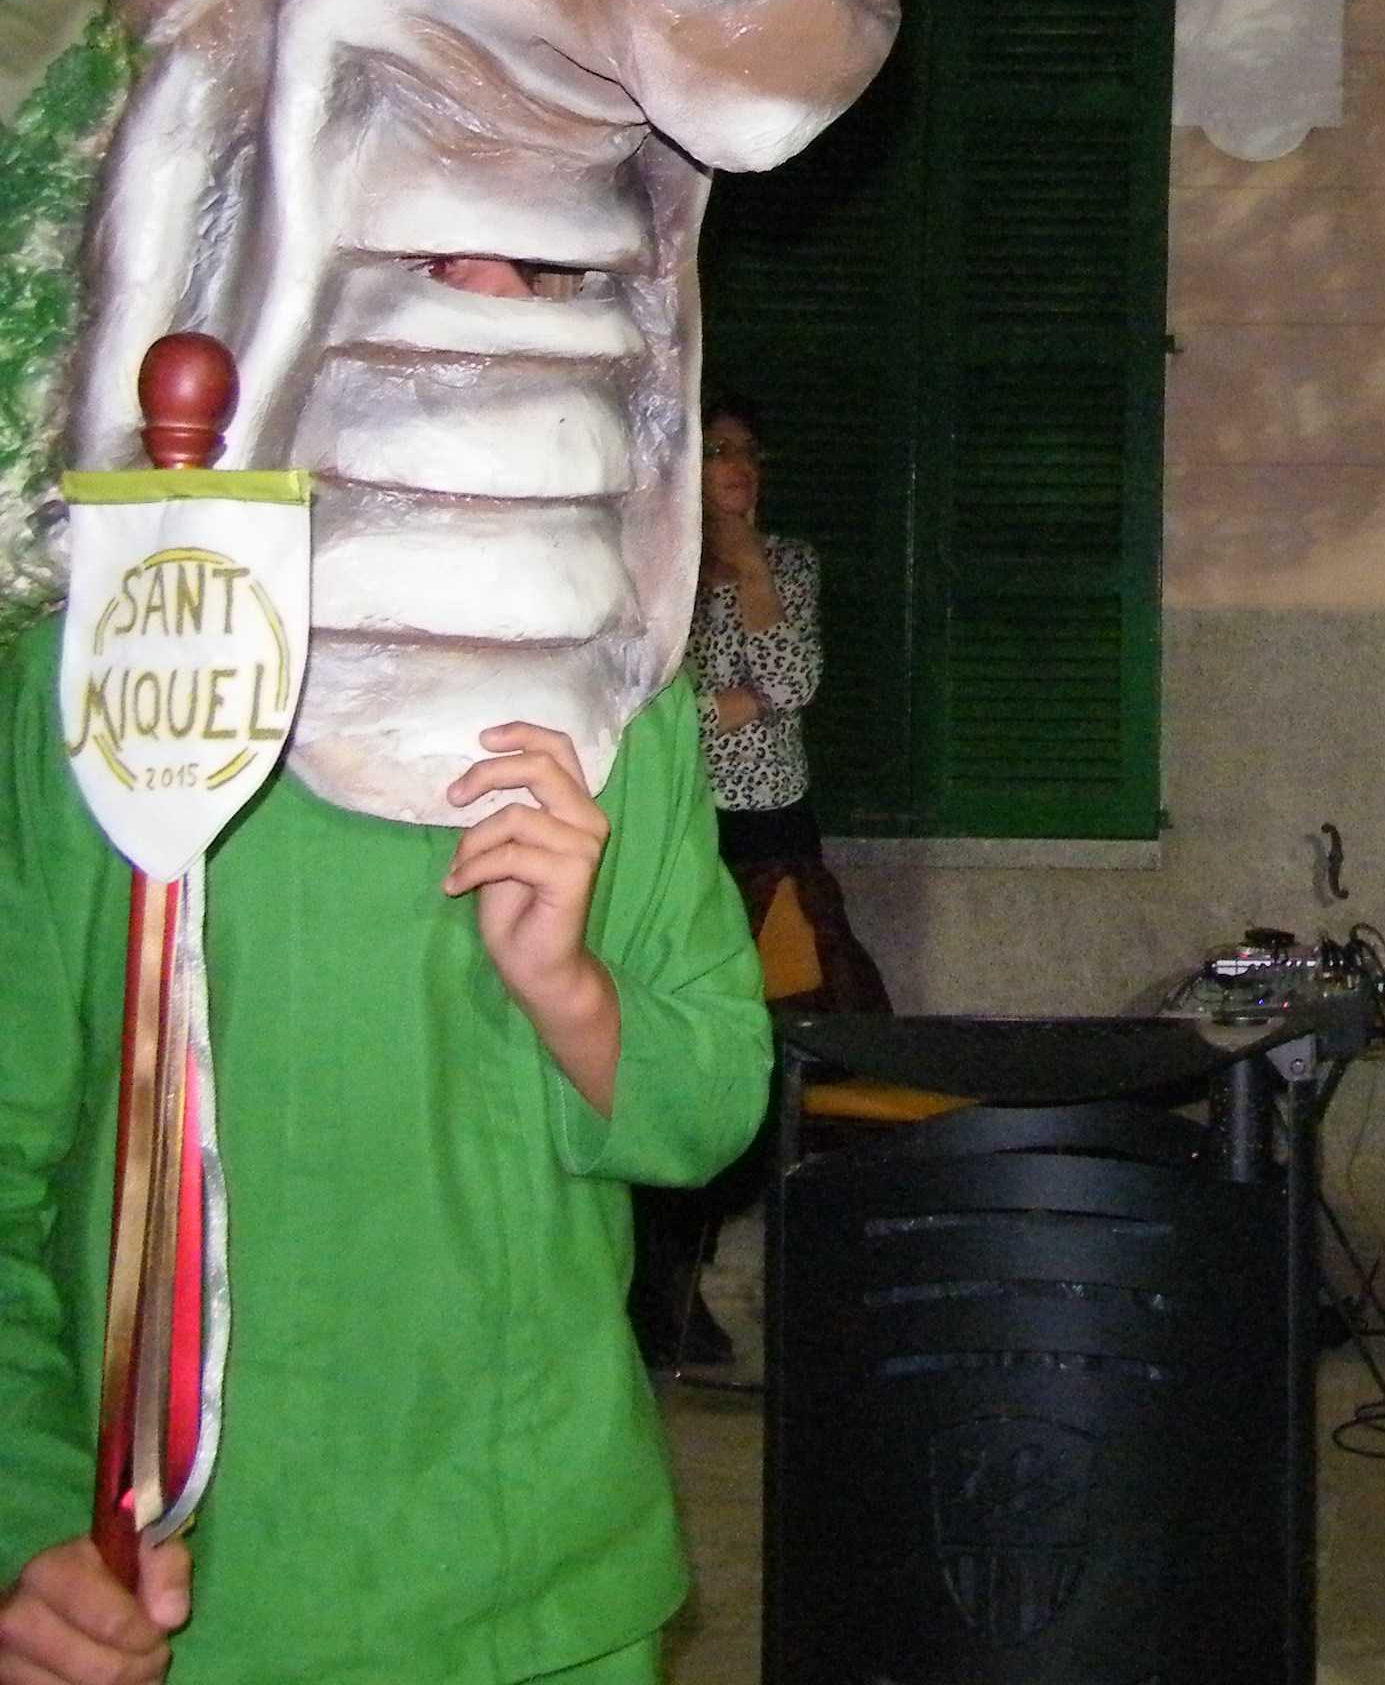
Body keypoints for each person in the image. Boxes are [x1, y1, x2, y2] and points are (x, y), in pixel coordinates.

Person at [0, 294, 770, 1685]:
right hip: (186, 1590)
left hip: (541, 1575)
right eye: (430, 247)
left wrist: (571, 990)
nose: (489, 300)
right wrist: (28, 1514)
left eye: (534, 266)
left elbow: (712, 1103)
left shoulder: (618, 693)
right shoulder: (98, 682)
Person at [631, 394, 882, 1370]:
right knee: (692, 1046)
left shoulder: (789, 563)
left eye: (749, 451)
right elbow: (658, 709)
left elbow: (794, 679)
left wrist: (748, 567)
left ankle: (822, 1284)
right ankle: (667, 1287)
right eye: (718, 450)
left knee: (810, 1050)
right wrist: (726, 703)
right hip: (686, 837)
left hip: (780, 839)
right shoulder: (656, 566)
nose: (740, 466)